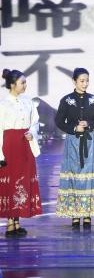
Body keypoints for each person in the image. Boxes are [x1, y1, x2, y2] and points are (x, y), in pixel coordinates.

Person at [54, 68, 94, 229]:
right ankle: (75, 214)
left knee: (88, 176)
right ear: (74, 81)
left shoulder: (93, 99)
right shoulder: (66, 100)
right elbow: (59, 121)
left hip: (89, 143)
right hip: (73, 142)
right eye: (82, 81)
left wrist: (89, 124)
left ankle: (88, 213)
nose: (85, 84)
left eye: (87, 80)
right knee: (74, 175)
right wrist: (74, 128)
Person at [0, 69, 42, 237]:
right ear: (12, 84)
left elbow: (35, 122)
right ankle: (10, 223)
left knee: (22, 181)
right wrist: (0, 155)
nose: (25, 85)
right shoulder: (3, 104)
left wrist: (32, 133)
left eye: (25, 82)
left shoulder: (28, 102)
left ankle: (17, 222)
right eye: (22, 82)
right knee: (10, 183)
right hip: (10, 146)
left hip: (25, 144)